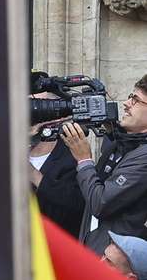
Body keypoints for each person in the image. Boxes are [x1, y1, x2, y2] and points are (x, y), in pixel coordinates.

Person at [61, 74, 147, 253]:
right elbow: (121, 142)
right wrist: (105, 120)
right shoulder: (123, 143)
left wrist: (84, 160)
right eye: (131, 96)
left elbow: (101, 202)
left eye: (136, 100)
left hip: (115, 264)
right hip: (94, 253)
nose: (126, 103)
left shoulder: (144, 158)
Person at [29, 92, 85, 236]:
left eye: (38, 105)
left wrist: (33, 175)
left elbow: (74, 207)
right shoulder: (9, 146)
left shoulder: (72, 156)